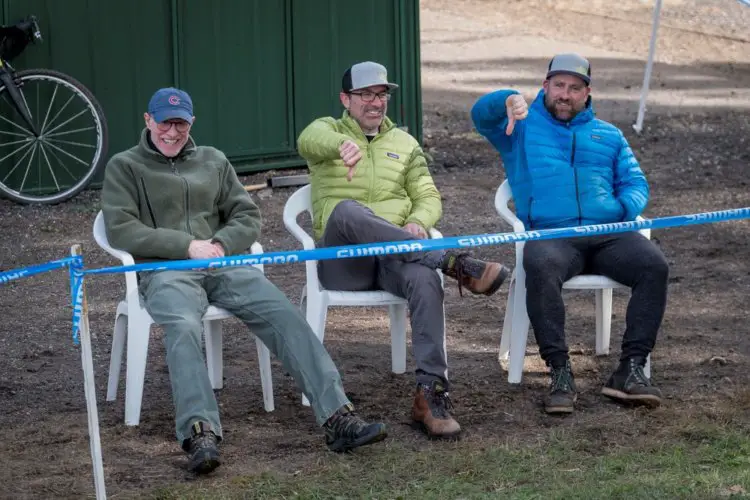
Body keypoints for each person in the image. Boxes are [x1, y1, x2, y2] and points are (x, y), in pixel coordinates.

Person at [101, 87, 388, 474]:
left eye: (181, 123)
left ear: (192, 123)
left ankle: (338, 416)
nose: (173, 131)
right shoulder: (125, 165)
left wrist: (220, 243)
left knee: (283, 312)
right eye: (165, 122)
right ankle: (199, 431)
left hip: (224, 264)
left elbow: (247, 216)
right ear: (148, 120)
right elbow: (121, 230)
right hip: (165, 271)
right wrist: (186, 246)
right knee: (183, 327)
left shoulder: (214, 161)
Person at [297, 61, 511, 440]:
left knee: (425, 278)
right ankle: (450, 260)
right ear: (346, 99)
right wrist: (341, 145)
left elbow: (428, 195)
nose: (375, 102)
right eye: (365, 95)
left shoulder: (405, 144)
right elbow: (308, 140)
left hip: (398, 257)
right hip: (344, 261)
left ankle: (430, 395)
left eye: (382, 94)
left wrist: (419, 220)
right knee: (348, 210)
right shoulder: (326, 132)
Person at [471, 53, 669, 414]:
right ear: (545, 86)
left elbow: (636, 182)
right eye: (558, 85)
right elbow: (479, 116)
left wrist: (621, 209)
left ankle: (631, 369)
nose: (565, 94)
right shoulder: (520, 128)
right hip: (552, 235)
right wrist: (506, 99)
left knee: (653, 265)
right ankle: (560, 371)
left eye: (574, 88)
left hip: (610, 234)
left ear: (587, 92)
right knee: (541, 265)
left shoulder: (609, 135)